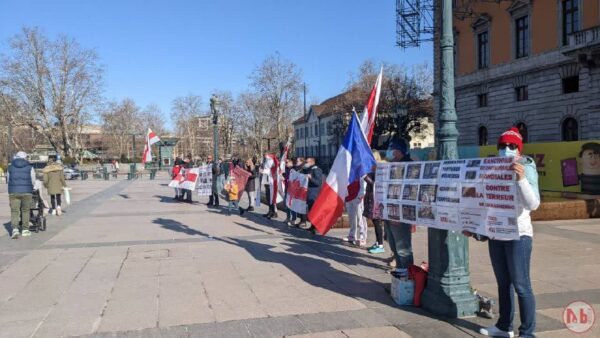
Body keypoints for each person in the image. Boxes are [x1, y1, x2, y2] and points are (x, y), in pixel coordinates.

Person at [468, 127, 540, 338]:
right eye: (502, 146)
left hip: (519, 235)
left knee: (521, 285)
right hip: (496, 234)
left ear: (519, 149)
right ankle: (504, 326)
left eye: (511, 146)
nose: (506, 149)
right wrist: (474, 228)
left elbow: (533, 204)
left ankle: (527, 333)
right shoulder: (491, 169)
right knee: (503, 284)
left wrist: (521, 179)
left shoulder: (526, 167)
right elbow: (484, 202)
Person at [384, 139, 414, 271]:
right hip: (389, 211)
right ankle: (400, 272)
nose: (390, 152)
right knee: (393, 245)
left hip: (400, 212)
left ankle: (407, 275)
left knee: (403, 248)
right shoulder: (392, 165)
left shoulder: (408, 165)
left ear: (399, 151)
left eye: (393, 149)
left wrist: (398, 213)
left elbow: (407, 191)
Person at [7, 151, 36, 239]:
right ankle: (25, 230)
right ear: (25, 157)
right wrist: (31, 187)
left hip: (13, 192)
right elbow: (33, 180)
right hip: (27, 192)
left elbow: (8, 180)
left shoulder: (10, 167)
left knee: (14, 211)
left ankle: (15, 229)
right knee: (25, 210)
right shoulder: (30, 167)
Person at [364, 151, 386, 254]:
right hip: (371, 198)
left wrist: (366, 178)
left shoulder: (379, 169)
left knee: (377, 222)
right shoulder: (373, 169)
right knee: (375, 222)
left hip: (375, 200)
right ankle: (378, 242)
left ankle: (380, 244)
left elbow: (376, 185)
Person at [298, 157, 323, 234]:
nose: (305, 163)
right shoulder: (310, 169)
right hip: (309, 194)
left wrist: (311, 178)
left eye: (307, 162)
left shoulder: (316, 170)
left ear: (312, 162)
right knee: (311, 211)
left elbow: (318, 183)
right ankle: (312, 226)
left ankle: (316, 227)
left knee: (315, 211)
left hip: (314, 194)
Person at [261, 154, 279, 219]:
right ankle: (270, 211)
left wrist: (264, 171)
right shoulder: (266, 161)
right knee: (269, 198)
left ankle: (274, 212)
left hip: (271, 183)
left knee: (271, 198)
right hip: (267, 182)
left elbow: (271, 170)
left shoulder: (272, 162)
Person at [283, 158, 294, 224]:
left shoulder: (293, 170)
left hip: (292, 190)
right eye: (285, 162)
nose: (286, 164)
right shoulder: (286, 169)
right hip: (287, 188)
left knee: (291, 205)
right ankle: (288, 217)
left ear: (291, 162)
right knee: (286, 204)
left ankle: (293, 219)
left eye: (287, 162)